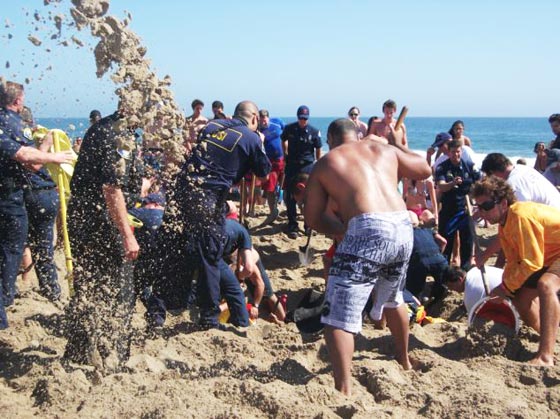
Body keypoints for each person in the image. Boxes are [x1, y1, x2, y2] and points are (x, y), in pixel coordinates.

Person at [304, 118, 431, 395]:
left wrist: (341, 230)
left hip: (368, 226)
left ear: (330, 139)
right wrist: (397, 142)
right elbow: (424, 169)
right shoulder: (382, 149)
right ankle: (404, 358)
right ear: (359, 133)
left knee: (338, 313)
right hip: (401, 225)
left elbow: (313, 217)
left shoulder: (328, 161)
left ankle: (344, 387)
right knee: (393, 296)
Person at [141, 101, 271, 330]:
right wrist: (259, 142)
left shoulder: (213, 127)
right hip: (206, 199)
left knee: (174, 246)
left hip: (181, 192)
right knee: (209, 258)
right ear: (253, 118)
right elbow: (263, 172)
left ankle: (157, 311)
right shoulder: (251, 137)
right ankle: (209, 319)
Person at [64, 104, 141, 368]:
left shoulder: (102, 127)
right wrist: (127, 234)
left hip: (84, 215)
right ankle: (114, 355)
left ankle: (78, 350)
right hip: (98, 218)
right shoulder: (117, 135)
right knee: (119, 288)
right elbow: (111, 189)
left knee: (87, 284)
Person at [0, 80, 73, 330]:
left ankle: (11, 295)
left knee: (20, 245)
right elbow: (29, 160)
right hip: (27, 196)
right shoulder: (16, 129)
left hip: (26, 195)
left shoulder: (14, 129)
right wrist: (52, 153)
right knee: (25, 246)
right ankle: (42, 291)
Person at [472, 176, 560, 366]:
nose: (482, 212)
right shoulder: (505, 223)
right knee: (521, 299)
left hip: (553, 255)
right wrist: (507, 289)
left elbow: (530, 263)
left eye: (486, 205)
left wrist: (504, 288)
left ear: (503, 203)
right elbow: (514, 262)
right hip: (550, 255)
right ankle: (550, 338)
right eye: (478, 207)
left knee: (546, 285)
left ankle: (545, 356)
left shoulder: (520, 215)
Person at [478, 153, 560, 266]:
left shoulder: (513, 185)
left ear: (493, 173)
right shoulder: (522, 168)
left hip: (552, 230)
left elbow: (512, 224)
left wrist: (486, 257)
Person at [435, 139, 480, 270]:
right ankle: (444, 272)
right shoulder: (442, 167)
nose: (456, 155)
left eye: (458, 152)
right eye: (453, 152)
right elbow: (441, 186)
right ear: (448, 152)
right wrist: (452, 183)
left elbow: (479, 184)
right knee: (446, 242)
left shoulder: (470, 166)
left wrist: (474, 200)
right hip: (449, 209)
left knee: (467, 241)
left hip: (466, 209)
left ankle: (466, 271)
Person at [281, 105, 322, 238]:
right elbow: (283, 139)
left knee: (308, 197)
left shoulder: (314, 131)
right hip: (292, 165)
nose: (303, 121)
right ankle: (292, 224)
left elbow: (318, 148)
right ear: (297, 117)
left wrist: (318, 163)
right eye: (301, 118)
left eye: (305, 118)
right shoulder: (290, 128)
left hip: (307, 166)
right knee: (290, 196)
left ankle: (308, 225)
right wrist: (285, 154)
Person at [258, 109, 285, 224]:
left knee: (284, 186)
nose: (264, 121)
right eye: (261, 119)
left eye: (265, 118)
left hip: (282, 159)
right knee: (270, 188)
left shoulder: (277, 122)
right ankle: (272, 211)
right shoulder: (258, 130)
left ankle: (286, 210)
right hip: (270, 162)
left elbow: (286, 132)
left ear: (268, 118)